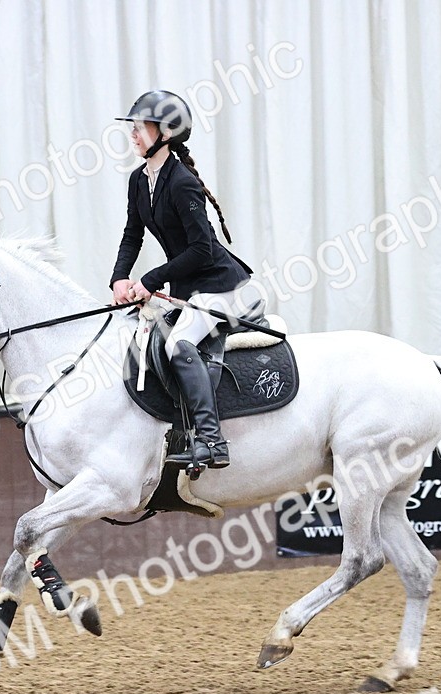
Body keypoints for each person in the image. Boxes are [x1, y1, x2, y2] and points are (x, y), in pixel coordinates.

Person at [109, 89, 253, 471]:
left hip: (222, 285)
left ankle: (211, 440)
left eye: (141, 127)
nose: (134, 135)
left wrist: (151, 279)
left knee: (179, 343)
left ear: (167, 133)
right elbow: (132, 234)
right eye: (134, 128)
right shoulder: (139, 181)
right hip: (188, 289)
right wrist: (119, 278)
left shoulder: (181, 183)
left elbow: (202, 250)